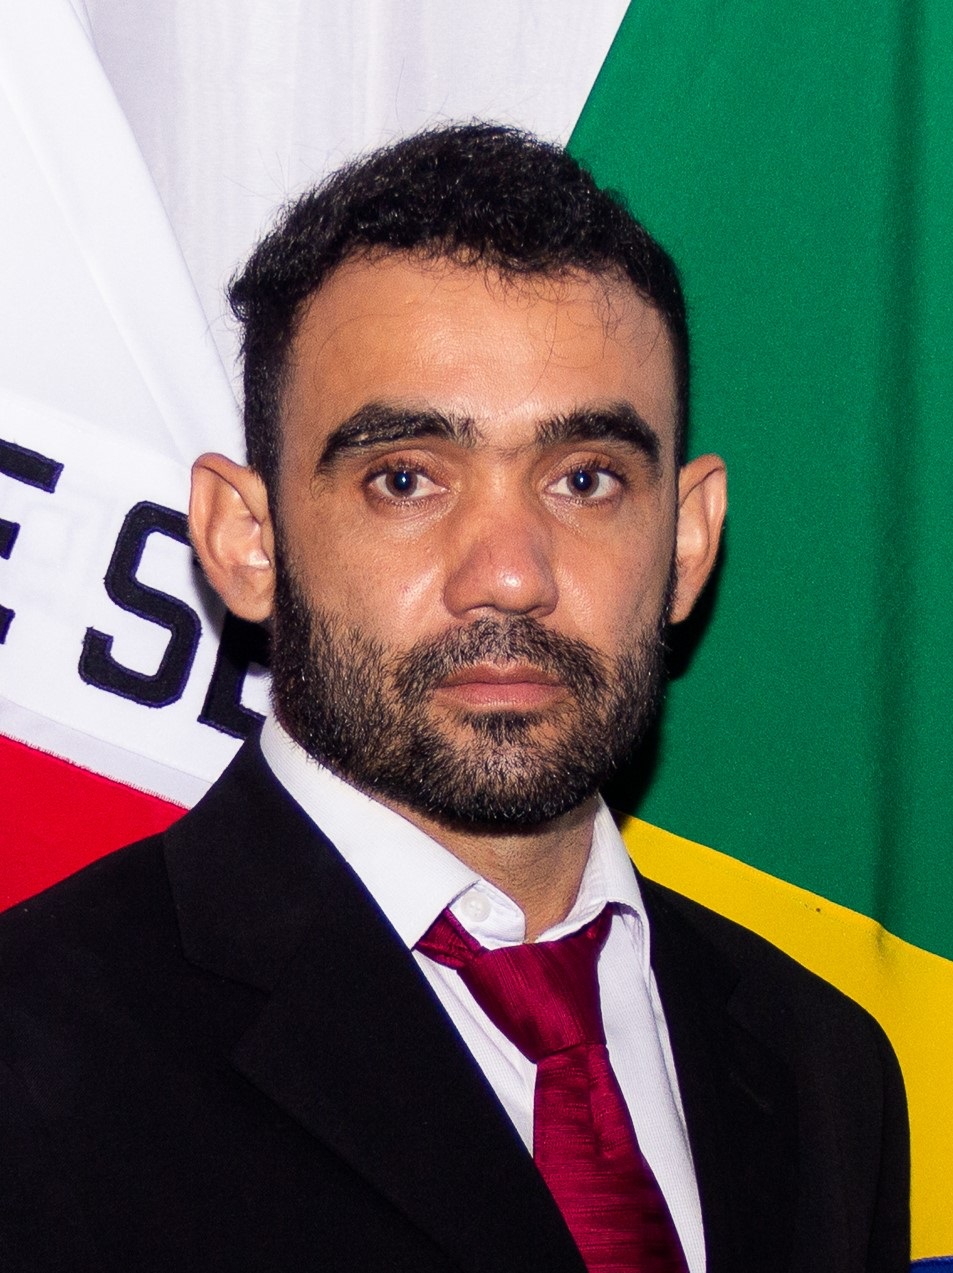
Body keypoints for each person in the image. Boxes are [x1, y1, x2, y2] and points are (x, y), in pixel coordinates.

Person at [0, 124, 907, 1272]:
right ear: (245, 539)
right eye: (405, 478)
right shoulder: (34, 1057)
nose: (510, 574)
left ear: (684, 541)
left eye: (584, 479)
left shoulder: (821, 1068)